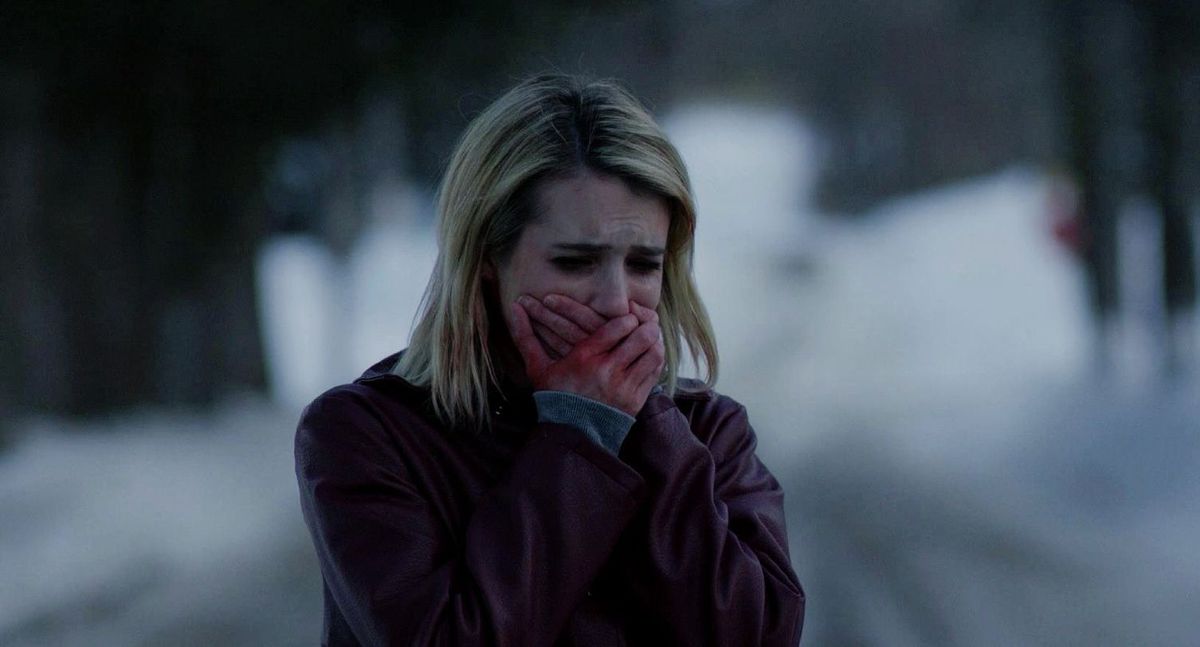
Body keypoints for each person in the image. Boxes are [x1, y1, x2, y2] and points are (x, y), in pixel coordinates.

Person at [294, 73, 805, 646]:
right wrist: (581, 435)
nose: (615, 302)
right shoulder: (370, 435)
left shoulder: (708, 434)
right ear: (487, 256)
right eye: (575, 262)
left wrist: (648, 428)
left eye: (643, 265)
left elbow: (756, 635)